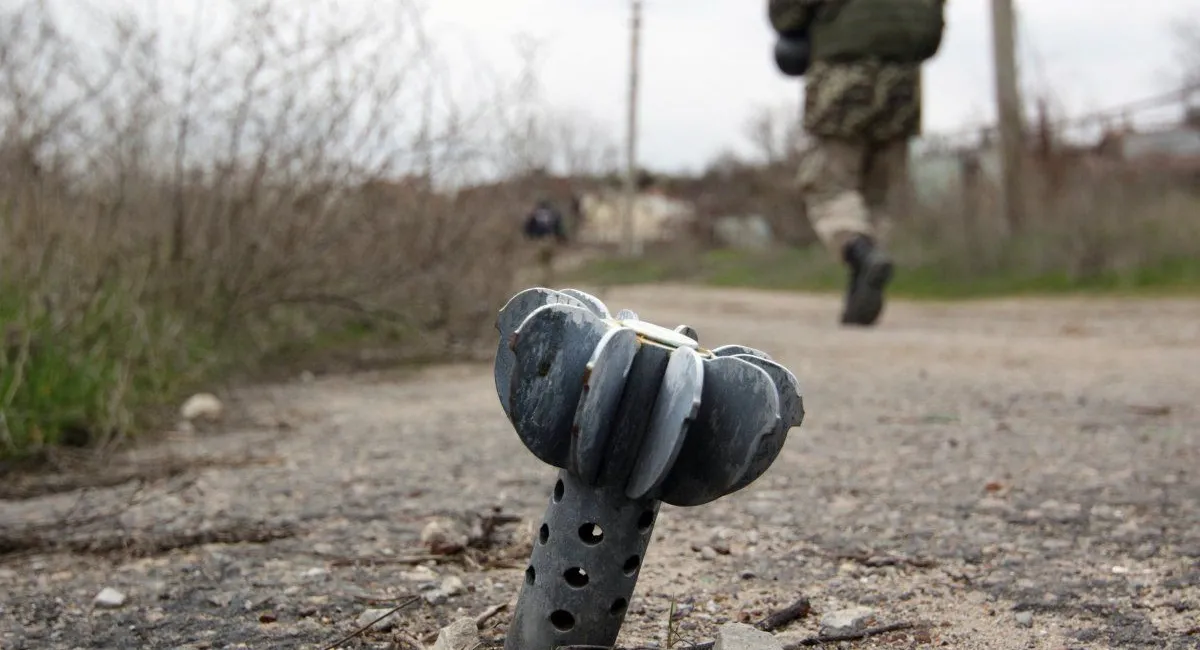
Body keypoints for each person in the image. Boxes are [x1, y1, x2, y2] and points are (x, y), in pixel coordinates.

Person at [768, 0, 946, 326]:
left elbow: (786, 14)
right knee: (877, 196)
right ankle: (859, 295)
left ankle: (860, 253)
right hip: (903, 83)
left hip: (842, 77)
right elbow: (932, 33)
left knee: (828, 187)